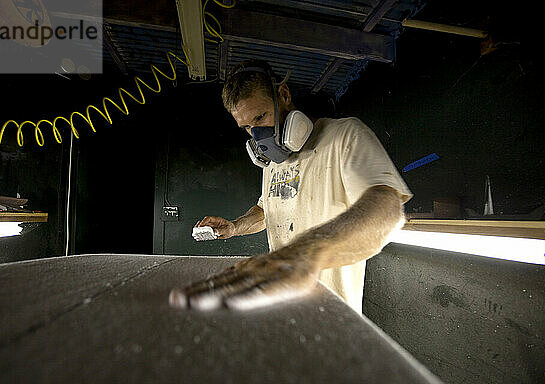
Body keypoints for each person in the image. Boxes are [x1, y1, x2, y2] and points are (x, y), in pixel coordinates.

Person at [169, 60, 413, 313]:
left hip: (333, 313)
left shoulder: (345, 136)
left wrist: (302, 255)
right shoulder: (273, 163)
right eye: (247, 127)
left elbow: (387, 207)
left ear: (283, 95)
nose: (256, 134)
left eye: (260, 117)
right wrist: (235, 226)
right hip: (281, 304)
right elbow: (267, 212)